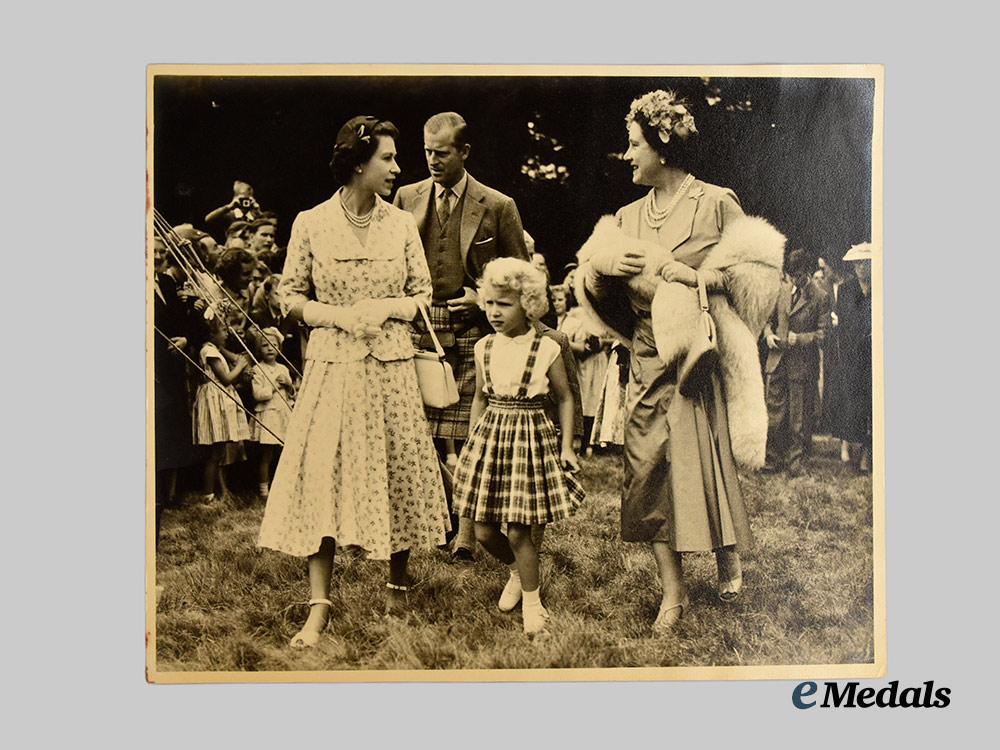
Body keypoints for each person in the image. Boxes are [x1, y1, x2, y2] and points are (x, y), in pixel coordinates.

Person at [574, 90, 783, 632]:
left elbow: (754, 276)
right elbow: (592, 285)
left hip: (698, 354)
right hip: (645, 355)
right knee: (644, 469)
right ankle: (673, 593)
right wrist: (602, 266)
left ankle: (725, 553)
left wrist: (693, 276)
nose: (628, 155)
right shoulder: (624, 216)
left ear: (662, 147)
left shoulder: (716, 201)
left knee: (702, 463)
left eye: (635, 144)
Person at [258, 116, 451, 648]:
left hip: (390, 367)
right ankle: (319, 604)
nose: (396, 168)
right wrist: (337, 317)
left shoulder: (401, 225)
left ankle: (397, 580)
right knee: (324, 475)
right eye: (387, 159)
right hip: (333, 368)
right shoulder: (311, 222)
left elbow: (422, 294)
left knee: (397, 470)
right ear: (358, 163)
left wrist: (389, 306)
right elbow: (290, 297)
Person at [393, 111, 530, 561]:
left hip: (475, 330)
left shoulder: (497, 205)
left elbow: (522, 277)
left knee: (473, 433)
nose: (432, 161)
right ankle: (438, 518)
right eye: (427, 152)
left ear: (464, 152)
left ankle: (467, 534)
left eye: (443, 153)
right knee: (419, 432)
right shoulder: (405, 197)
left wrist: (483, 300)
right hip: (417, 327)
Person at [452, 258, 585, 636]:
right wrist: (472, 441)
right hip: (492, 435)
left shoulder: (546, 348)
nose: (494, 312)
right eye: (490, 303)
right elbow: (479, 396)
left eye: (505, 304)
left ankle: (533, 602)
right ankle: (516, 571)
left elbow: (564, 398)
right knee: (482, 530)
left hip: (529, 436)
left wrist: (568, 446)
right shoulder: (484, 347)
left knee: (519, 531)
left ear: (527, 303)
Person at [762, 249, 829, 476]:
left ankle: (795, 462)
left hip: (801, 364)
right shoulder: (780, 292)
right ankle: (772, 459)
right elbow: (767, 320)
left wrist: (800, 338)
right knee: (774, 413)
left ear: (808, 273)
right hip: (777, 360)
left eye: (799, 276)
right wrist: (768, 334)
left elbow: (823, 335)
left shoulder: (820, 296)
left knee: (797, 418)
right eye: (791, 276)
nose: (794, 280)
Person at [191, 314, 252, 503]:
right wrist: (240, 366)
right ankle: (208, 495)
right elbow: (225, 379)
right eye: (224, 330)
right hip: (214, 399)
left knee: (218, 452)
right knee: (215, 452)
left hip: (219, 399)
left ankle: (216, 492)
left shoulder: (215, 349)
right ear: (211, 333)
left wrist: (237, 359)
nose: (227, 334)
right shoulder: (209, 351)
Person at [831, 242, 873, 473]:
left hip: (871, 354)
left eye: (864, 263)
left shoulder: (880, 287)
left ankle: (866, 453)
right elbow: (840, 321)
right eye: (856, 264)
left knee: (869, 403)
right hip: (849, 354)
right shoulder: (846, 289)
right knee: (848, 400)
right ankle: (845, 446)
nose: (860, 268)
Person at [249, 327, 295, 499]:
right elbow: (258, 395)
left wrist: (289, 385)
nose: (269, 348)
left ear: (279, 348)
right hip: (269, 415)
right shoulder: (258, 369)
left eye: (273, 345)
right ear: (258, 349)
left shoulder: (283, 368)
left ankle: (283, 484)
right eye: (264, 345)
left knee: (284, 452)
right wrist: (274, 387)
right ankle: (263, 489)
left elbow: (292, 394)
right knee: (267, 454)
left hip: (283, 414)